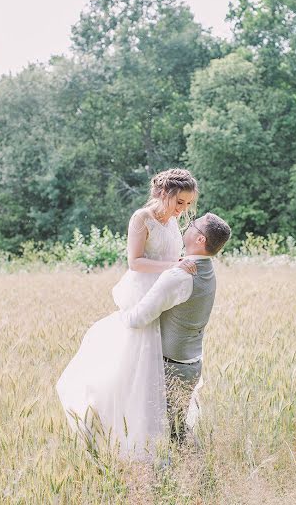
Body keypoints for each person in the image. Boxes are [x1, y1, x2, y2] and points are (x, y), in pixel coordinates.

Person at [56, 168, 198, 460]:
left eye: (187, 204)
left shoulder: (172, 222)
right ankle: (131, 436)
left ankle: (165, 433)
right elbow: (135, 262)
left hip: (164, 294)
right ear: (163, 194)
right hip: (144, 293)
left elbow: (174, 257)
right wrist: (174, 265)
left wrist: (180, 265)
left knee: (161, 365)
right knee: (139, 365)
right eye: (179, 202)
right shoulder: (141, 218)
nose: (182, 209)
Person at [120, 212, 231, 445]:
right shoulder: (207, 270)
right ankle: (195, 474)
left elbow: (136, 320)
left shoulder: (179, 276)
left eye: (193, 224)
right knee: (177, 433)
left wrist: (122, 309)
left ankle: (191, 476)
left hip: (169, 368)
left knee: (162, 437)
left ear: (200, 240)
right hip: (191, 365)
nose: (187, 226)